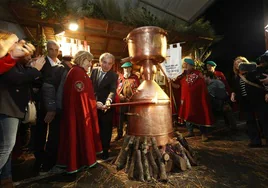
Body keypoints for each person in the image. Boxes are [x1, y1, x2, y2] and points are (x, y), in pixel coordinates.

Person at [0, 40, 44, 187]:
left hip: (12, 108)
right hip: (7, 108)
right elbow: (17, 78)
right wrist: (35, 69)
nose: (24, 49)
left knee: (6, 146)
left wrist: (31, 69)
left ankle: (6, 178)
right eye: (20, 44)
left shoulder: (16, 63)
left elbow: (27, 80)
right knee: (7, 146)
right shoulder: (6, 60)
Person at [57, 51, 102, 173]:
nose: (90, 64)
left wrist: (93, 103)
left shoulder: (80, 72)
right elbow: (80, 96)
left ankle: (81, 161)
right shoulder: (77, 72)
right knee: (78, 134)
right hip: (78, 113)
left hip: (82, 110)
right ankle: (78, 162)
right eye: (89, 61)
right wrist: (93, 104)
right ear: (82, 59)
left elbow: (85, 95)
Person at [34, 40, 68, 173]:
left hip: (57, 105)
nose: (53, 52)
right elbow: (41, 85)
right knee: (39, 133)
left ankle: (49, 161)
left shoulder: (62, 66)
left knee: (54, 135)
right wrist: (49, 107)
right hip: (42, 105)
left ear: (59, 51)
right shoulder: (41, 63)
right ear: (47, 49)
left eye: (56, 49)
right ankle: (38, 160)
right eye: (51, 49)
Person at [231, 56, 268, 147]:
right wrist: (233, 93)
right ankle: (255, 141)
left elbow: (264, 83)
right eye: (236, 64)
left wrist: (267, 92)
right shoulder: (236, 77)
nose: (238, 65)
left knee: (264, 119)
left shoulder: (254, 72)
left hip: (258, 99)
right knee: (250, 121)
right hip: (245, 102)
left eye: (240, 63)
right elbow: (235, 88)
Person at [174, 58, 213, 141]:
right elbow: (177, 87)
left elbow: (202, 86)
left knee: (199, 115)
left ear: (191, 66)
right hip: (185, 99)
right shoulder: (181, 76)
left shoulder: (198, 74)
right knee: (186, 114)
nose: (184, 66)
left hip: (197, 100)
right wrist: (170, 82)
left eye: (186, 65)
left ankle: (203, 134)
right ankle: (190, 131)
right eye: (184, 65)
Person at [90, 52, 118, 160]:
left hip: (106, 107)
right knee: (94, 129)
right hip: (93, 105)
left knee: (106, 129)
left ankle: (105, 151)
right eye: (104, 62)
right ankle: (94, 150)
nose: (106, 66)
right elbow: (91, 87)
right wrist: (93, 101)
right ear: (100, 62)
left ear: (112, 65)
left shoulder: (113, 75)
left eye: (109, 64)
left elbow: (112, 90)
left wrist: (108, 101)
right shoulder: (94, 71)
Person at [115, 62, 140, 140]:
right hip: (122, 101)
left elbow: (137, 89)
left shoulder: (134, 78)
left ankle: (129, 133)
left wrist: (133, 98)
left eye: (128, 68)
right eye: (125, 68)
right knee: (120, 118)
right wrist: (120, 96)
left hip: (131, 101)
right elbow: (117, 89)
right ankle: (119, 134)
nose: (126, 69)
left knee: (131, 117)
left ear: (130, 68)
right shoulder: (120, 78)